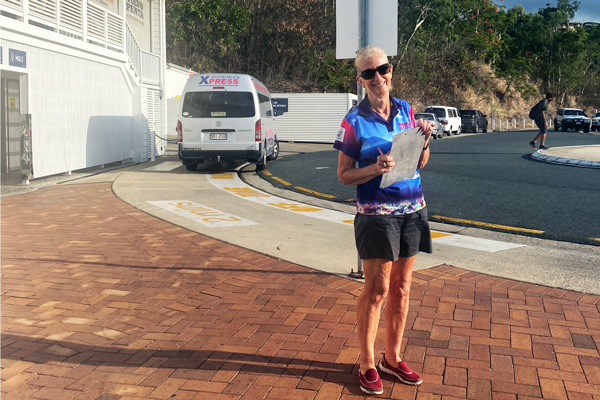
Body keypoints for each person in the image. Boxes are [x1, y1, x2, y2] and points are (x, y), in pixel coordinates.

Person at [333, 45, 434, 395]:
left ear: (391, 70)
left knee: (402, 289)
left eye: (383, 69)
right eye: (368, 72)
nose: (378, 77)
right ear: (360, 79)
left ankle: (392, 357)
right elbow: (344, 175)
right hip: (376, 215)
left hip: (412, 210)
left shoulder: (407, 110)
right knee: (376, 290)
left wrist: (424, 140)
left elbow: (421, 164)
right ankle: (366, 362)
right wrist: (375, 168)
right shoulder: (354, 120)